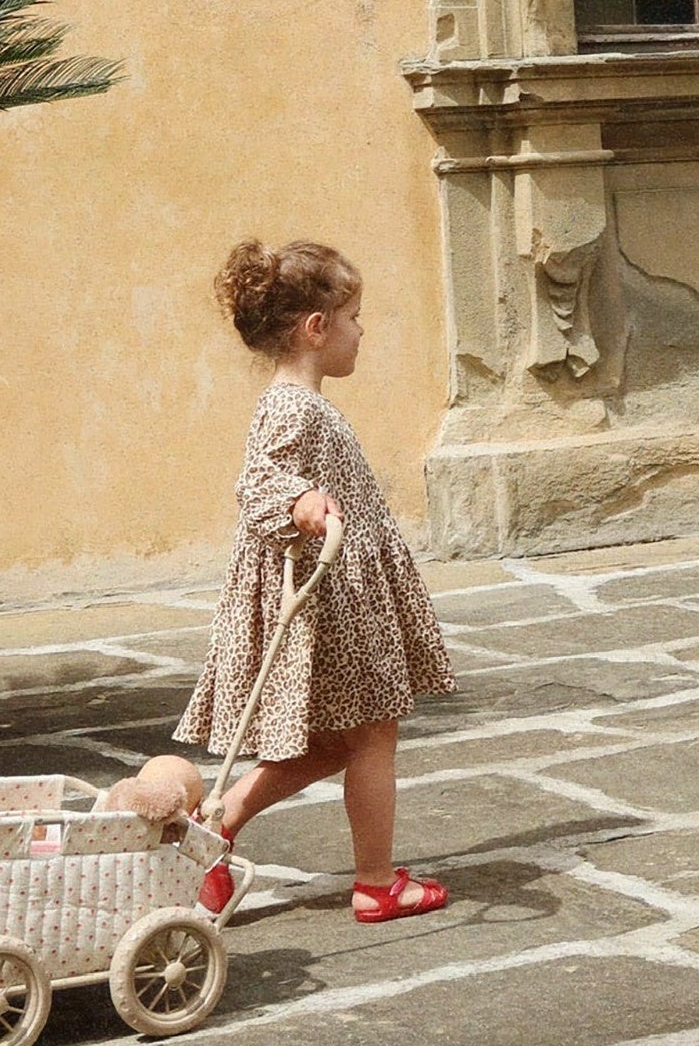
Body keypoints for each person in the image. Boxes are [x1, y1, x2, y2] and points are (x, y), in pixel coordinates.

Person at [175, 239, 457, 921]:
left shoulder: (304, 404)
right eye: (354, 317)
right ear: (316, 327)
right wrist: (298, 502)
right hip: (329, 600)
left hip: (336, 594)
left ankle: (214, 833)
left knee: (334, 741)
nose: (362, 331)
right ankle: (376, 881)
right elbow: (260, 482)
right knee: (373, 737)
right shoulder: (293, 407)